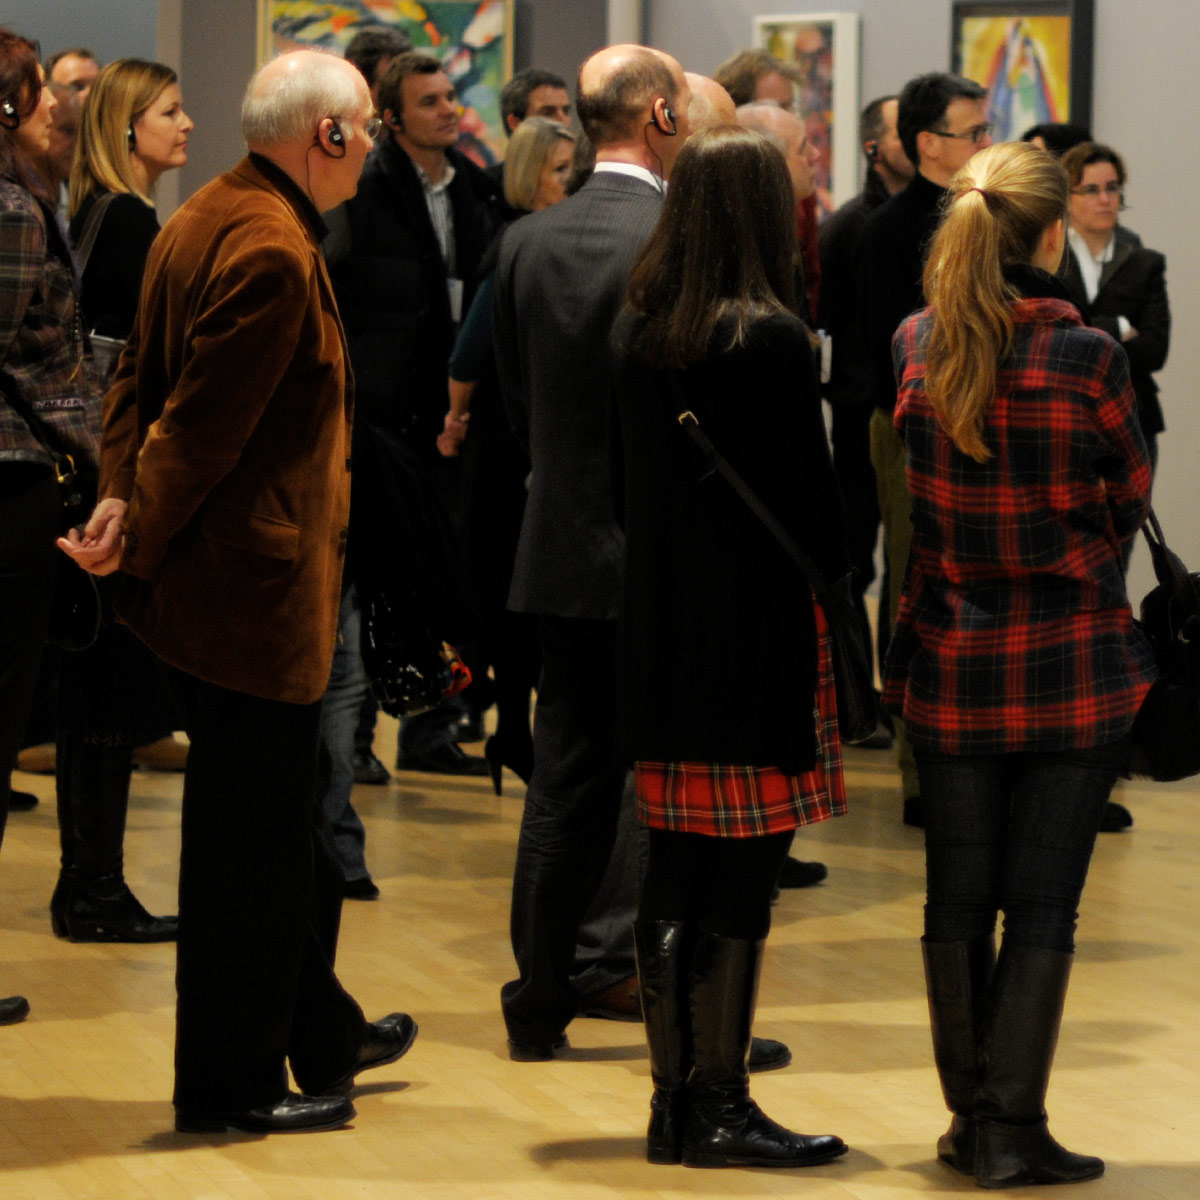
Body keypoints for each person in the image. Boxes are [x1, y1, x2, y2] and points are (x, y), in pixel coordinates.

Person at [61, 48, 416, 1135]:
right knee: (249, 856)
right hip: (253, 597)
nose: (372, 146)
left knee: (263, 839)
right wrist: (135, 525)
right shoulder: (268, 244)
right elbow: (201, 424)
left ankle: (315, 1032)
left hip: (224, 588)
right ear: (328, 135)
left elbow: (134, 384)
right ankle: (235, 1086)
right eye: (365, 126)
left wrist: (122, 498)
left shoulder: (206, 212)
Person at [883, 141, 1155, 1188]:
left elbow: (917, 508)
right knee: (1043, 905)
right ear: (1050, 235)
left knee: (955, 900)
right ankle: (1010, 1125)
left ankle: (972, 1122)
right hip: (1073, 661)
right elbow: (1128, 496)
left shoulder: (918, 341)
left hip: (954, 653)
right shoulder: (1088, 357)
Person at [612, 123, 850, 1170]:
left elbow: (623, 490)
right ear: (761, 215)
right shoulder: (774, 340)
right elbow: (818, 513)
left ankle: (673, 1105)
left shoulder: (640, 331)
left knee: (673, 866)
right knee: (745, 875)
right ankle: (719, 1103)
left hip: (661, 630)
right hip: (755, 634)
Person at [492, 44, 694, 1060]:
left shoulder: (526, 239)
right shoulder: (676, 239)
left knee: (564, 782)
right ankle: (680, 1012)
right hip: (657, 558)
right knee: (673, 792)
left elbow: (516, 401)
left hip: (559, 546)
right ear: (660, 115)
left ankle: (538, 999)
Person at [44, 58, 196, 943]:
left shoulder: (97, 212)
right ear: (129, 126)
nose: (186, 124)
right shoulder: (131, 220)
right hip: (110, 478)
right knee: (107, 687)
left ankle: (90, 880)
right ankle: (93, 884)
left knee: (97, 687)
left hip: (90, 471)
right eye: (170, 111)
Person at [326, 49, 501, 778]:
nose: (449, 110)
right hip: (383, 414)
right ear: (392, 117)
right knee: (375, 574)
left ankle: (432, 729)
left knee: (441, 570)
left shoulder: (476, 191)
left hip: (450, 412)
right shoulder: (364, 192)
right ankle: (356, 739)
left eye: (451, 96)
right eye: (430, 101)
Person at [854, 72, 991, 827]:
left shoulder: (986, 213)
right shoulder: (888, 231)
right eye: (976, 132)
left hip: (986, 424)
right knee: (917, 583)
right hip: (914, 430)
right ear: (930, 143)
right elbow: (892, 352)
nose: (988, 142)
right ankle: (917, 768)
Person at [0, 29, 99, 1025]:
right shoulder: (9, 210)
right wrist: (93, 440)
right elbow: (28, 357)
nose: (57, 110)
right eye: (39, 95)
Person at [438, 117, 577, 791]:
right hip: (507, 443)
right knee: (513, 593)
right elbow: (466, 355)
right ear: (529, 175)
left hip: (523, 436)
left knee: (522, 593)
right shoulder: (518, 246)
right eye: (560, 170)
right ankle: (516, 732)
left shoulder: (530, 243)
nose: (571, 183)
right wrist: (457, 417)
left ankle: (518, 734)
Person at [818, 95, 913, 742]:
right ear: (875, 147)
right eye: (904, 131)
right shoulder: (850, 226)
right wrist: (851, 390)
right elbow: (825, 320)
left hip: (905, 410)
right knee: (857, 559)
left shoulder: (924, 219)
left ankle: (894, 697)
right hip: (860, 413)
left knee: (904, 561)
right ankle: (857, 700)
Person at [1060, 142, 1170, 477]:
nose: (1105, 199)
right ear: (1066, 198)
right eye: (1091, 190)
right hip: (1064, 417)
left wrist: (1081, 334)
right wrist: (1119, 327)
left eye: (1112, 188)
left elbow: (1154, 351)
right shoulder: (1050, 259)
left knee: (1130, 511)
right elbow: (1049, 337)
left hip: (1133, 416)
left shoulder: (1145, 263)